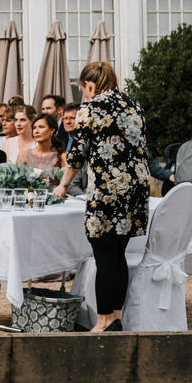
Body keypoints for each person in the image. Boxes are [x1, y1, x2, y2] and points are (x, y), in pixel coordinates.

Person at [52, 61, 150, 333]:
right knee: (118, 254)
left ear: (90, 84)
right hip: (136, 188)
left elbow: (77, 153)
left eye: (82, 87)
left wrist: (63, 185)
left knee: (104, 256)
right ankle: (115, 316)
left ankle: (103, 320)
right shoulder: (135, 105)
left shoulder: (90, 107)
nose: (83, 92)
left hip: (107, 189)